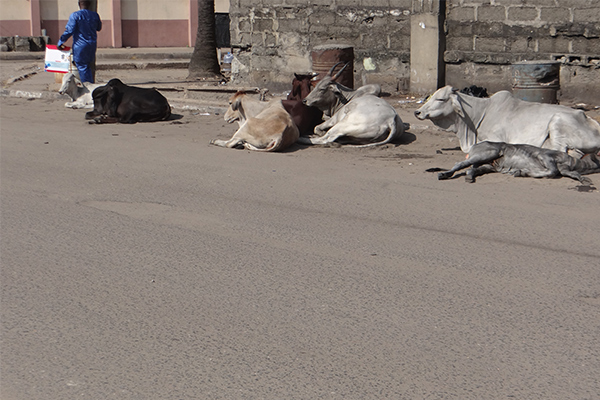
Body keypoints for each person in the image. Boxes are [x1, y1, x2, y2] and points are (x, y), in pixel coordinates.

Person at [57, 0, 102, 83]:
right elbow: (99, 28)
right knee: (88, 66)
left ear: (79, 4)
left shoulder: (75, 15)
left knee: (82, 66)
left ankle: (87, 87)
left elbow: (69, 30)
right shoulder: (95, 15)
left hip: (80, 45)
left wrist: (60, 42)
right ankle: (91, 84)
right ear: (89, 5)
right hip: (92, 45)